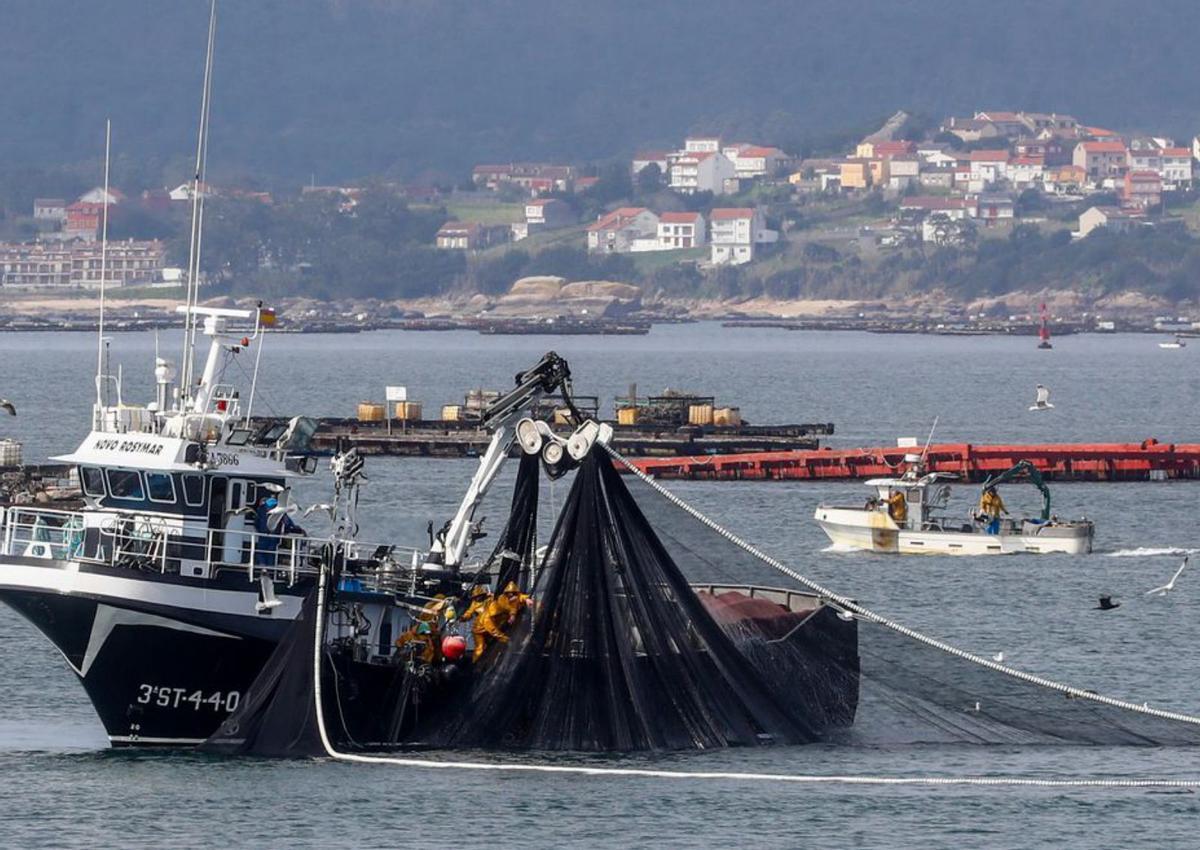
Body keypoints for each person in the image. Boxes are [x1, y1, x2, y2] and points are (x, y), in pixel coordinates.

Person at [460, 585, 509, 662]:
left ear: (483, 595)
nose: (477, 598)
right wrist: (464, 617)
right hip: (478, 630)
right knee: (480, 648)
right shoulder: (475, 604)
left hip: (489, 627)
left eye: (478, 596)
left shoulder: (491, 599)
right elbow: (469, 612)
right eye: (475, 597)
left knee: (490, 647)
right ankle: (476, 663)